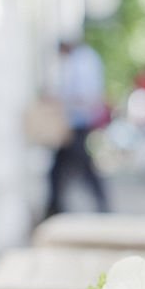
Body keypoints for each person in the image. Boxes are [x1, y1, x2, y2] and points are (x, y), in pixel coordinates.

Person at [45, 39, 110, 216]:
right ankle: (54, 207)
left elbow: (83, 95)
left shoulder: (81, 62)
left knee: (82, 167)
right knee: (58, 169)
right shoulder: (86, 59)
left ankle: (102, 205)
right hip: (76, 122)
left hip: (78, 123)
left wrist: (61, 101)